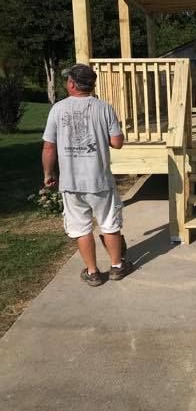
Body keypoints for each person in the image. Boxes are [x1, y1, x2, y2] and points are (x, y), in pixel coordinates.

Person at [41, 63, 133, 286]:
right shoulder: (104, 108)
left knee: (80, 227)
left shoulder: (58, 109)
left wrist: (48, 174)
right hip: (99, 180)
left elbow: (49, 147)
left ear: (72, 83)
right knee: (109, 223)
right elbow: (117, 142)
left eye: (67, 80)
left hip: (71, 182)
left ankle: (92, 272)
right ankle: (116, 267)